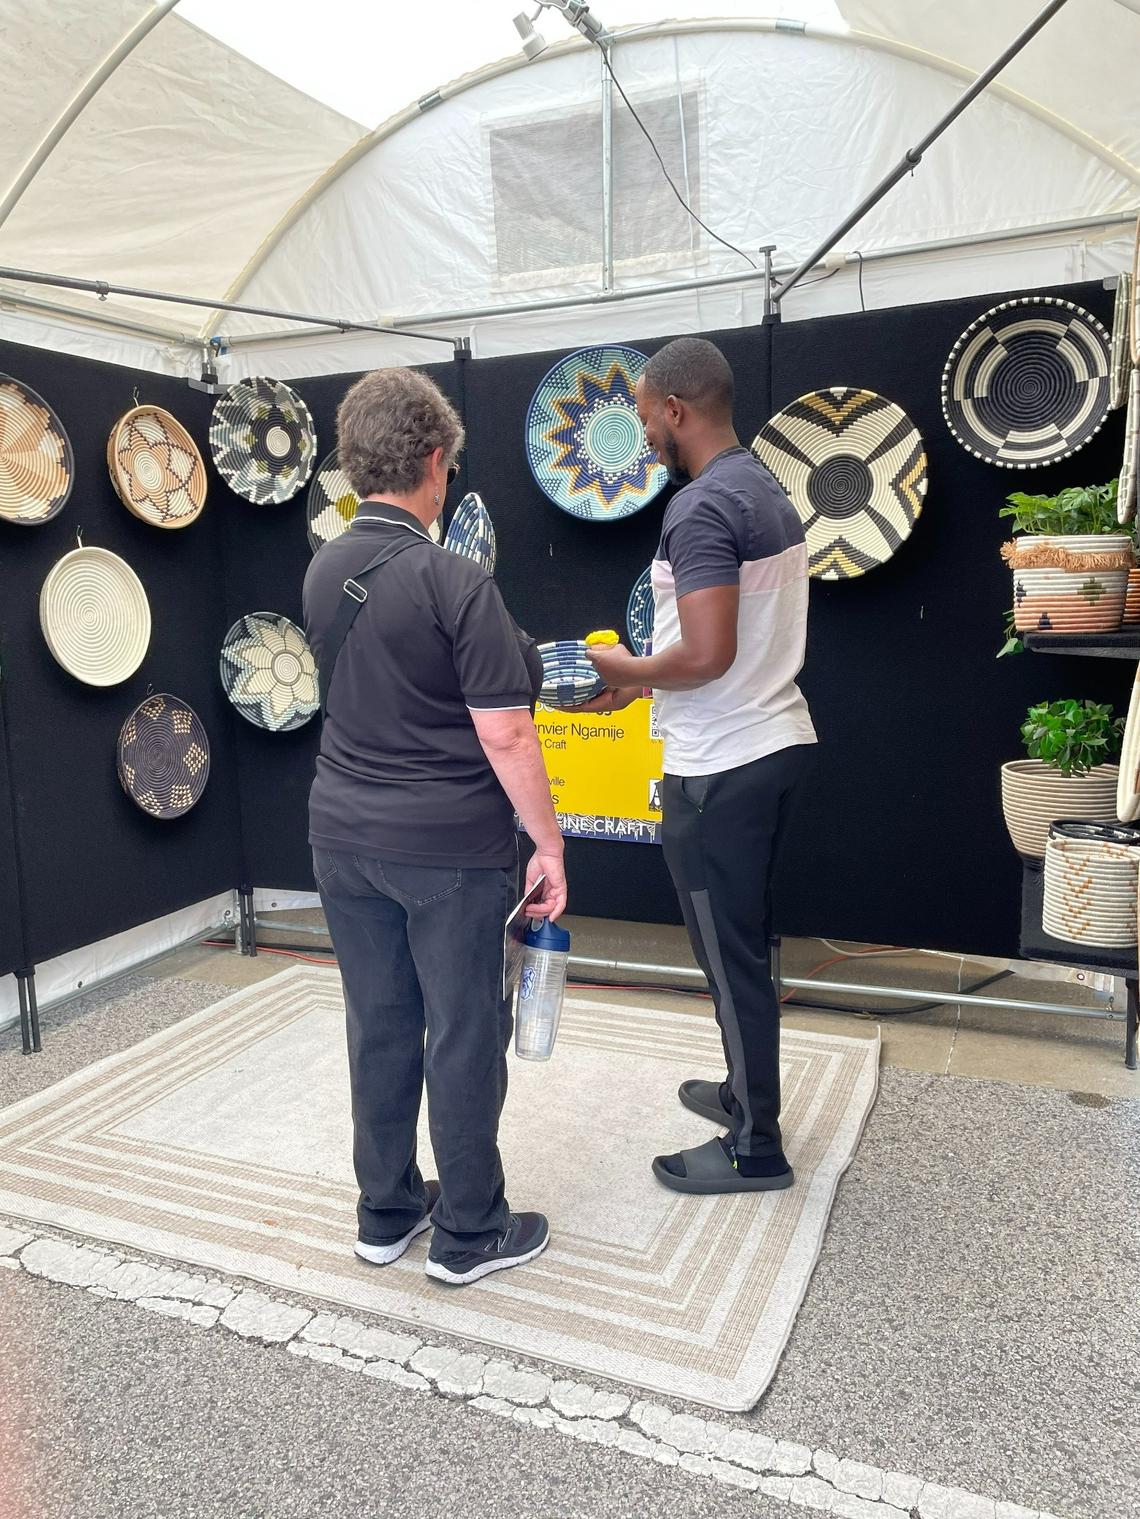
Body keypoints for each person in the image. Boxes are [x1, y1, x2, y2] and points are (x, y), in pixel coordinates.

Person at [302, 367, 566, 1285]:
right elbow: (505, 730)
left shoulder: (323, 568)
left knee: (377, 1021)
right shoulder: (456, 579)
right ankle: (469, 1230)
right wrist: (550, 841)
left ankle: (385, 1211)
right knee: (462, 1028)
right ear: (436, 460)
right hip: (450, 851)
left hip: (340, 837)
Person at [582, 336, 816, 1195]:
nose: (643, 430)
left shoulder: (701, 506)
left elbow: (710, 653)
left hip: (722, 765)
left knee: (730, 955)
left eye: (644, 414)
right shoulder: (762, 489)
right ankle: (741, 1092)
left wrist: (621, 670)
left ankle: (758, 1146)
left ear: (675, 411)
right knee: (741, 946)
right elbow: (732, 648)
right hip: (768, 742)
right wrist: (643, 690)